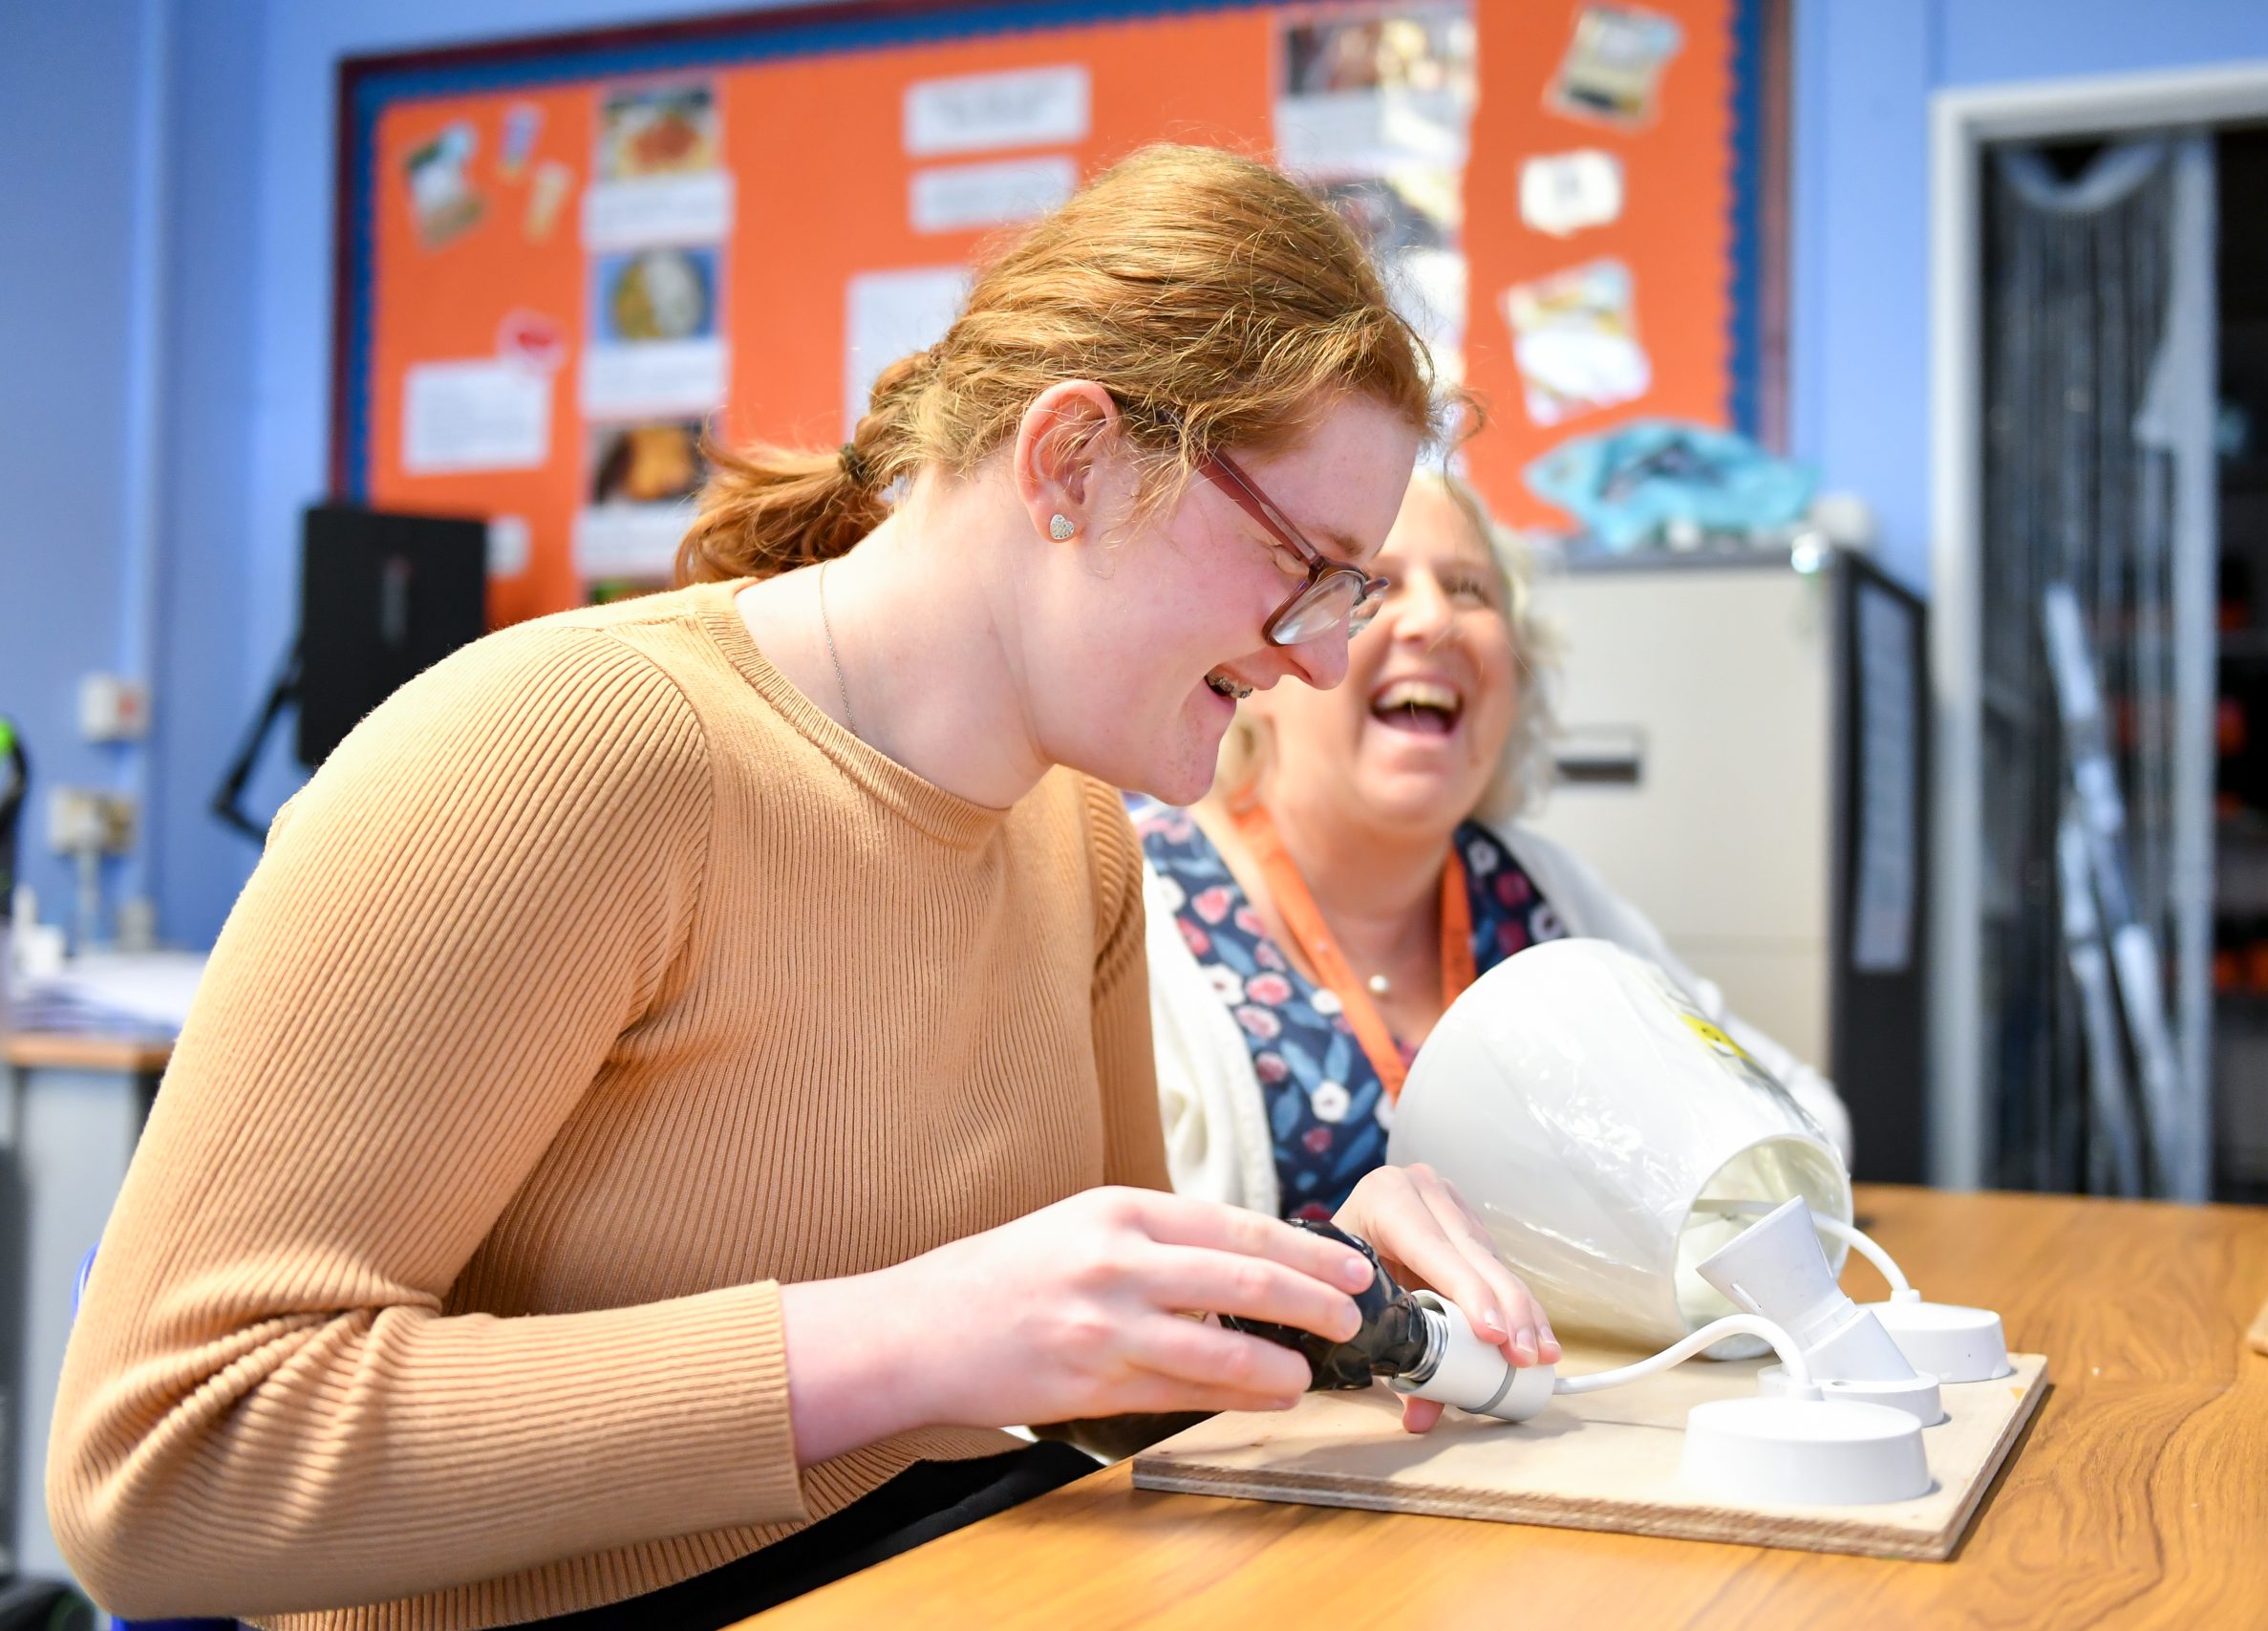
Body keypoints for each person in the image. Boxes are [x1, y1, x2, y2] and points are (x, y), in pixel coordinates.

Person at [49, 146, 1556, 1631]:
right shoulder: (579, 751)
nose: (1324, 655)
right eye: (1313, 569)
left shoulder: (1074, 828)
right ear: (1073, 460)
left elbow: (1097, 1385)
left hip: (929, 1570)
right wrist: (903, 1340)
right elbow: (161, 1468)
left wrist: (1338, 1301)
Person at [1137, 471, 1852, 1221]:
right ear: (1270, 666)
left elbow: (1800, 1122)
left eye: (1469, 590)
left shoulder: (1541, 894)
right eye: (1372, 585)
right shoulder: (1140, 903)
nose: (1433, 620)